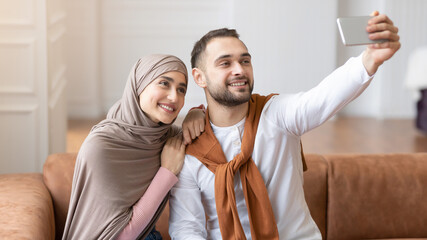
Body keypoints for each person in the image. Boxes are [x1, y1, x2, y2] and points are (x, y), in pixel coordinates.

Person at [168, 11, 400, 239]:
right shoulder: (190, 148)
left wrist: (369, 59)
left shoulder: (277, 114)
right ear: (199, 78)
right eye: (225, 63)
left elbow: (322, 98)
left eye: (245, 60)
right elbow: (186, 228)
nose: (239, 69)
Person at [62, 54, 205, 240]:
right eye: (164, 83)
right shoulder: (101, 147)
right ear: (139, 85)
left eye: (181, 90)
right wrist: (167, 172)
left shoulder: (165, 137)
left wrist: (198, 113)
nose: (174, 97)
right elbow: (120, 236)